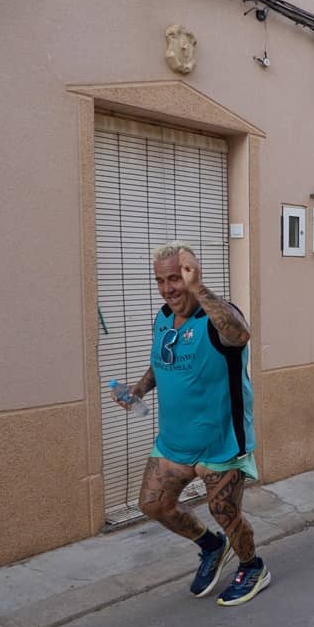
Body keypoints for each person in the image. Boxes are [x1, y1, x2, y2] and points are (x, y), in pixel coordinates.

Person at [112, 241, 268, 607]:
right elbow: (161, 360)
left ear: (193, 275)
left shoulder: (217, 317)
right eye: (160, 280)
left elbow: (240, 335)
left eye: (176, 278)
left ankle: (253, 566)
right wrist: (139, 389)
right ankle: (211, 546)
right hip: (174, 442)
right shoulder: (163, 318)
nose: (168, 288)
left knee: (224, 512)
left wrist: (199, 289)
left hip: (221, 444)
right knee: (153, 504)